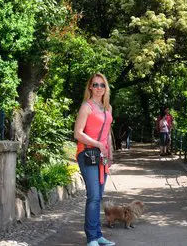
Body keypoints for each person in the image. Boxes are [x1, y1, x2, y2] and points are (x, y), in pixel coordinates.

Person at [74, 73, 115, 246]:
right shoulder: (87, 106)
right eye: (96, 85)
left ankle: (98, 235)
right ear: (90, 87)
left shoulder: (108, 108)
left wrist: (110, 153)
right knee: (93, 196)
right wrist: (98, 144)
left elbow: (108, 134)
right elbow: (78, 133)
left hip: (102, 157)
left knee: (99, 196)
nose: (99, 88)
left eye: (102, 85)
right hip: (88, 154)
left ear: (106, 88)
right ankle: (91, 237)